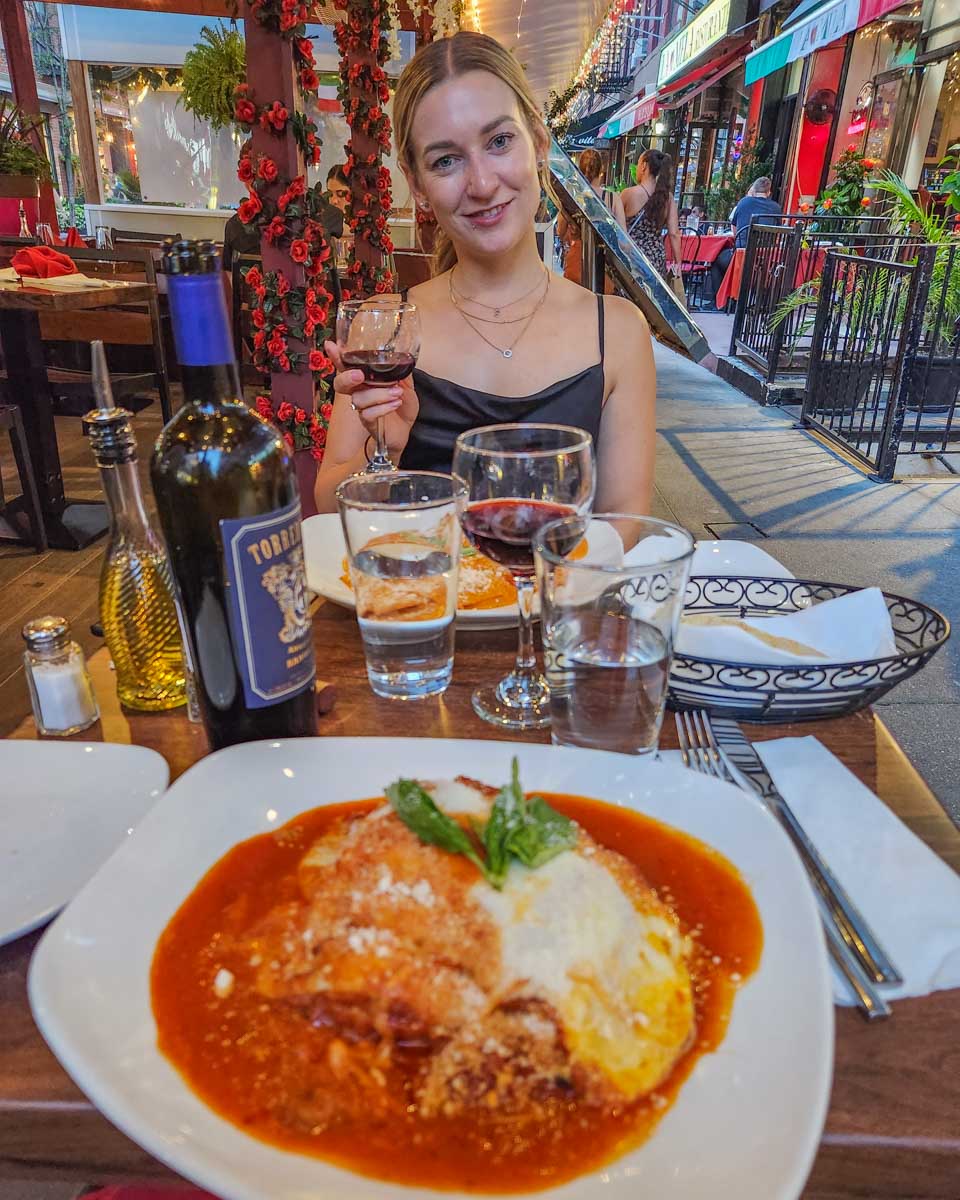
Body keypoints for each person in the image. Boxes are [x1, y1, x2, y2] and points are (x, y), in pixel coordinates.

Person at [315, 30, 655, 516]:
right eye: (446, 160)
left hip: (563, 593)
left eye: (499, 141)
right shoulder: (385, 327)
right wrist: (385, 450)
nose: (481, 183)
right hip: (420, 592)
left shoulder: (618, 331)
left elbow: (621, 526)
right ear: (418, 183)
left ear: (538, 143)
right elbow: (329, 509)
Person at [556, 148, 627, 286]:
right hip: (605, 265)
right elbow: (623, 240)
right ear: (601, 170)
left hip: (577, 260)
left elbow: (560, 230)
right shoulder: (613, 199)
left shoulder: (572, 197)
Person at [710, 176, 782, 306]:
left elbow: (735, 229)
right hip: (765, 258)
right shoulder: (776, 207)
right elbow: (777, 232)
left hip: (742, 255)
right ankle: (761, 303)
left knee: (716, 262)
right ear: (769, 192)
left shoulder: (744, 202)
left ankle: (722, 303)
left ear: (753, 189)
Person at [620, 149, 682, 286]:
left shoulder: (628, 194)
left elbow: (615, 225)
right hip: (656, 259)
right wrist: (678, 264)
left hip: (632, 257)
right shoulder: (668, 198)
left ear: (644, 166)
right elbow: (674, 234)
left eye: (638, 163)